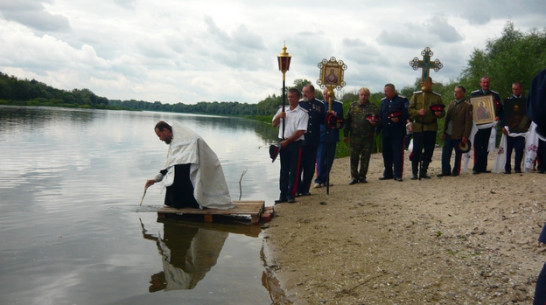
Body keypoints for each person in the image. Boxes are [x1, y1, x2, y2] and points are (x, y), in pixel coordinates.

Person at [145, 121, 234, 209]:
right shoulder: (175, 143)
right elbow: (170, 165)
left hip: (190, 174)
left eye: (159, 135)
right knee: (172, 177)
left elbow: (188, 157)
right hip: (183, 175)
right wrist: (155, 180)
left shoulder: (187, 139)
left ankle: (187, 205)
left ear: (165, 130)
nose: (160, 139)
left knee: (177, 177)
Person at [272, 88, 309, 203]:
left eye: (292, 97)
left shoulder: (303, 113)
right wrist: (279, 117)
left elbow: (300, 131)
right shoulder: (282, 110)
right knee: (284, 169)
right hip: (282, 142)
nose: (290, 99)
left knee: (294, 170)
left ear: (298, 98)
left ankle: (291, 194)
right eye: (288, 97)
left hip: (294, 143)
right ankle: (282, 194)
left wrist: (287, 141)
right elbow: (273, 124)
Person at [408, 77, 445, 179]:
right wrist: (417, 112)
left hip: (431, 127)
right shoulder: (416, 95)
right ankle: (415, 172)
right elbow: (410, 110)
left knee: (429, 150)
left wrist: (439, 113)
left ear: (431, 83)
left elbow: (443, 112)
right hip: (419, 127)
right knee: (416, 150)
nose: (424, 84)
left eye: (427, 82)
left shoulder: (436, 97)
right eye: (423, 82)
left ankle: (424, 170)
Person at [343, 87, 380, 184]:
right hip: (355, 137)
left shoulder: (373, 107)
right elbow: (347, 121)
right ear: (359, 95)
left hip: (368, 137)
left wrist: (375, 123)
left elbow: (379, 121)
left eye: (366, 95)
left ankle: (362, 176)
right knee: (354, 157)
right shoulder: (353, 106)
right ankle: (354, 177)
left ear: (368, 96)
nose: (363, 97)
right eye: (362, 95)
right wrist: (345, 135)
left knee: (365, 157)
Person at [469, 76, 503, 174]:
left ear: (489, 83)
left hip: (490, 125)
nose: (485, 84)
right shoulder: (474, 94)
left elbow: (501, 110)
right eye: (484, 82)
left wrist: (498, 117)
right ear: (480, 83)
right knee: (477, 146)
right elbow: (470, 109)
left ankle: (483, 167)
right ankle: (476, 167)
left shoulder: (495, 95)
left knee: (486, 146)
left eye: (487, 82)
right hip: (477, 126)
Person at [438, 85, 473, 177]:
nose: (455, 93)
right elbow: (447, 119)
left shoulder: (467, 106)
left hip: (459, 134)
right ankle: (445, 170)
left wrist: (465, 135)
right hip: (449, 132)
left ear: (463, 93)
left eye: (457, 92)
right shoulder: (451, 104)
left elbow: (468, 122)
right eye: (455, 91)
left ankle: (456, 171)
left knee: (458, 153)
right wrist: (444, 132)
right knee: (445, 153)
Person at [297, 84, 325, 196]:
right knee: (298, 166)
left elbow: (323, 121)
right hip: (300, 140)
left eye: (306, 92)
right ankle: (298, 189)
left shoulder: (320, 105)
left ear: (313, 93)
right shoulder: (299, 104)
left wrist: (330, 117)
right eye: (303, 92)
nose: (304, 94)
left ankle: (305, 189)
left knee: (310, 167)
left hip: (313, 141)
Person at [378, 83, 409, 181]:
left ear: (393, 91)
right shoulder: (383, 101)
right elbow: (381, 116)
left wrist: (399, 120)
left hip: (397, 132)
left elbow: (407, 114)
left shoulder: (402, 100)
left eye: (387, 91)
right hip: (386, 131)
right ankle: (388, 173)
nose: (385, 93)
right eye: (385, 91)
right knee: (386, 153)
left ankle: (398, 174)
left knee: (397, 153)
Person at [314, 88, 344, 188]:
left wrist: (338, 123)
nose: (326, 96)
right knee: (320, 158)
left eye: (328, 94)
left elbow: (341, 120)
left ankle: (326, 179)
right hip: (322, 135)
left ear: (332, 95)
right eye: (325, 94)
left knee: (329, 159)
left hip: (333, 135)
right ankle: (318, 180)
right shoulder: (319, 105)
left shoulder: (339, 105)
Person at [501, 82, 529, 174]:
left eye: (517, 89)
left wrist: (526, 126)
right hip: (510, 129)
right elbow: (503, 115)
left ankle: (517, 167)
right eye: (513, 89)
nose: (515, 91)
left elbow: (527, 115)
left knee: (520, 149)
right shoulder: (508, 101)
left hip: (521, 130)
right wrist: (502, 126)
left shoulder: (526, 101)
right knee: (508, 150)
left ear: (521, 89)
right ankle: (507, 168)